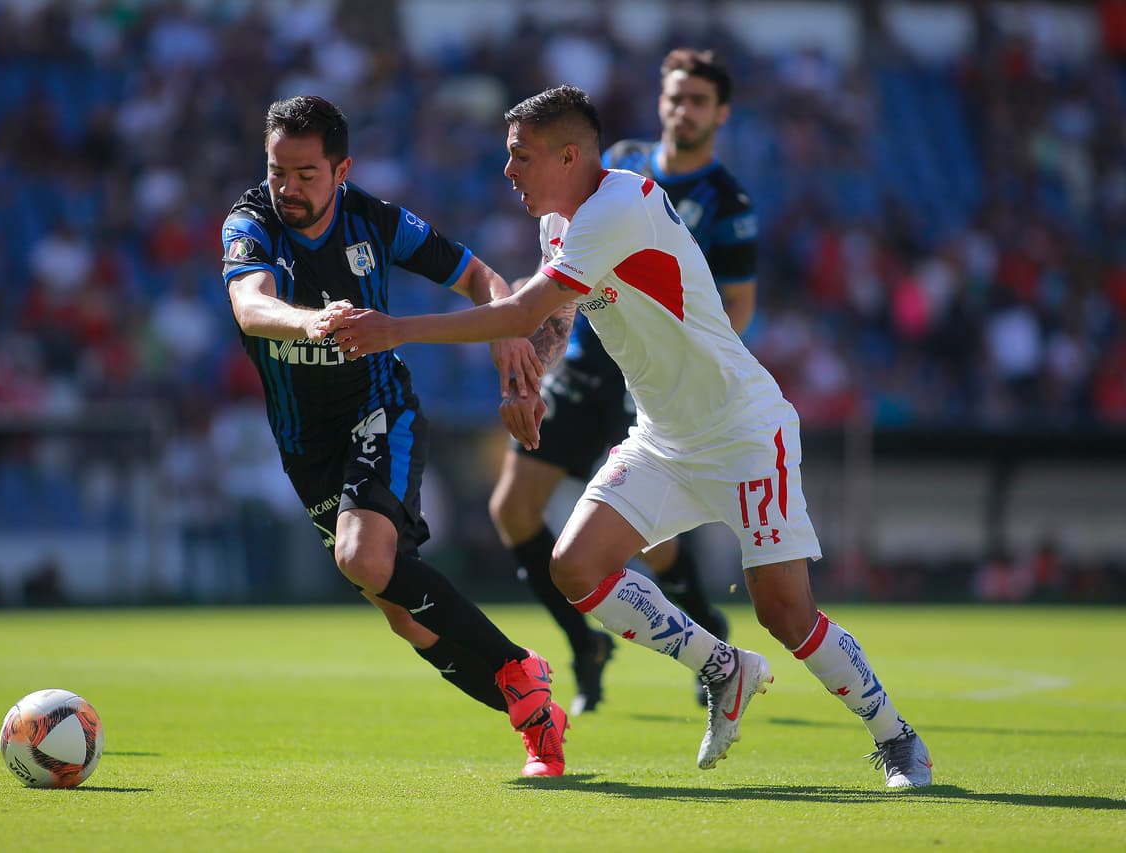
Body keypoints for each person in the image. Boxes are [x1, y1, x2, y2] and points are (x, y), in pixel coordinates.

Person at [326, 85, 933, 788]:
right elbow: (554, 324)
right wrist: (526, 386)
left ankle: (898, 738)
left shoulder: (620, 204)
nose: (508, 170)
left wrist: (395, 329)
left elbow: (522, 310)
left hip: (742, 430)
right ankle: (722, 667)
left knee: (784, 611)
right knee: (575, 566)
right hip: (663, 439)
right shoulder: (559, 223)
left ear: (569, 156)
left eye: (521, 155)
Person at [221, 95, 567, 776]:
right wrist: (311, 322)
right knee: (406, 617)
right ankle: (538, 722)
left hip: (379, 412)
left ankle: (517, 667)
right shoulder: (250, 222)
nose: (288, 188)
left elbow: (477, 275)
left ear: (341, 170)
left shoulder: (374, 221)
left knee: (360, 556)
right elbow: (249, 305)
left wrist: (505, 331)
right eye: (277, 171)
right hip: (305, 445)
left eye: (306, 174)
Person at [488, 48, 756, 716]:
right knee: (512, 509)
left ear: (720, 114)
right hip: (582, 362)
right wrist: (530, 353)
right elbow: (560, 268)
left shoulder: (727, 202)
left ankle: (707, 633)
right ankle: (585, 645)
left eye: (697, 101)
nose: (682, 110)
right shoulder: (616, 163)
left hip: (644, 380)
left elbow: (735, 309)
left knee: (648, 536)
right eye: (674, 97)